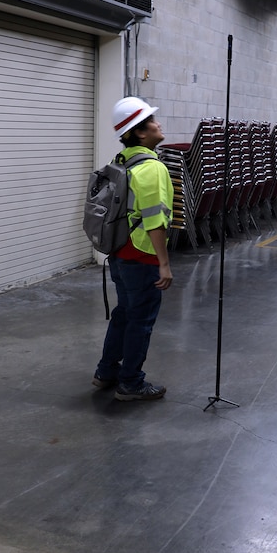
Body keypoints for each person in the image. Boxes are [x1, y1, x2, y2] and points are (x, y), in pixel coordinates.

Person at [92, 96, 174, 401]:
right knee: (141, 321)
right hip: (142, 257)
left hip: (120, 255)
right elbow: (155, 221)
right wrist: (163, 263)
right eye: (152, 120)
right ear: (140, 132)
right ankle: (131, 383)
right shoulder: (151, 168)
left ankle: (106, 372)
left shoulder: (123, 161)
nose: (158, 123)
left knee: (124, 314)